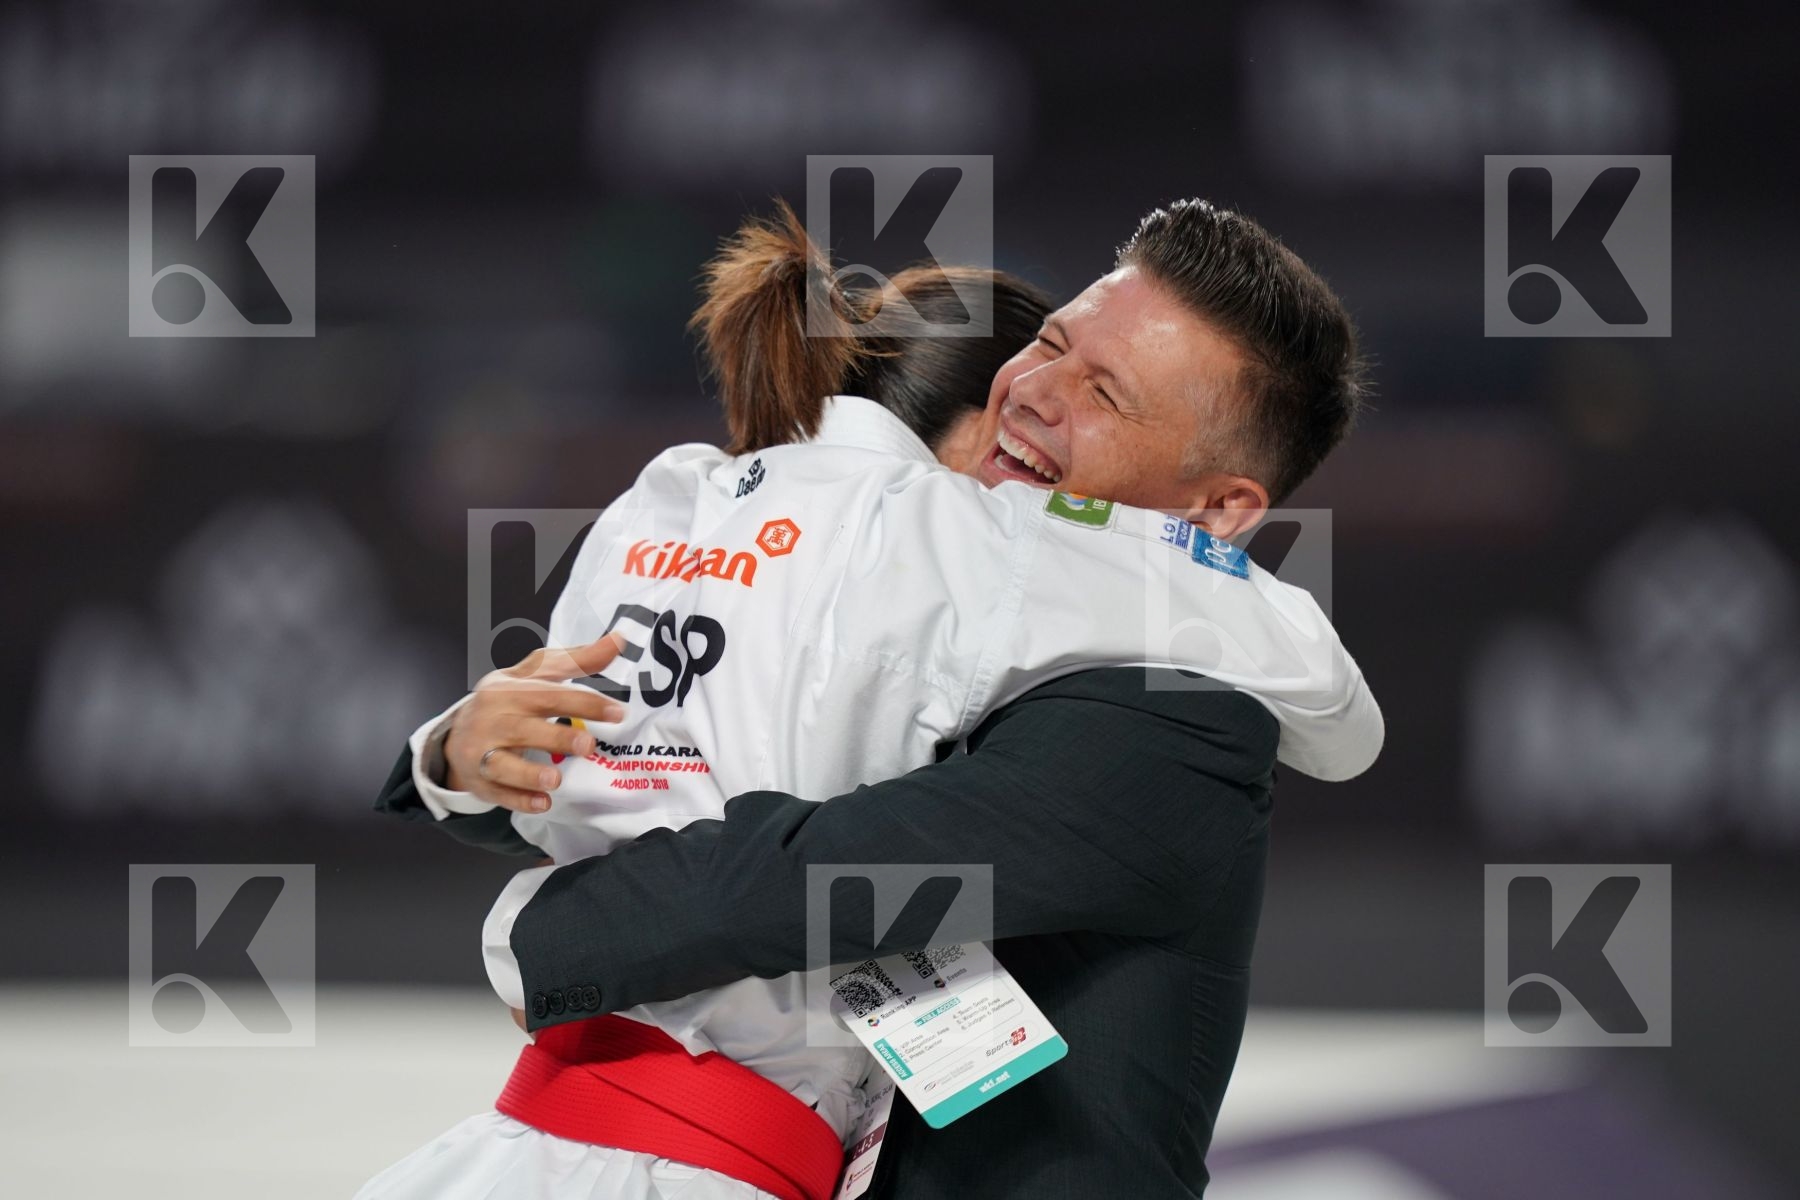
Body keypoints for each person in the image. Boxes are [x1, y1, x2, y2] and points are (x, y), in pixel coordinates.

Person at [372, 198, 1376, 1199]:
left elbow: (811, 874)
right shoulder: (946, 582)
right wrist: (461, 759)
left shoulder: (1174, 717)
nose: (1035, 392)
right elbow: (714, 766)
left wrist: (537, 936)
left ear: (1215, 514)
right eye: (1052, 343)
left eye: (1105, 393)